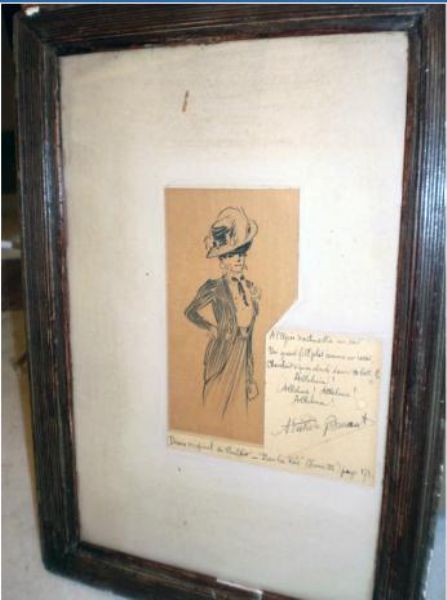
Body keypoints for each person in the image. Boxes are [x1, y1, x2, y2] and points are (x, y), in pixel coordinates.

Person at [185, 206, 260, 419]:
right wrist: (211, 327)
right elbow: (190, 312)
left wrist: (250, 377)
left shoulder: (250, 290)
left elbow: (249, 338)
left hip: (241, 362)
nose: (238, 260)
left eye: (241, 253)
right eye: (232, 255)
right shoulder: (214, 287)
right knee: (213, 411)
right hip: (221, 361)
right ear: (222, 260)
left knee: (238, 417)